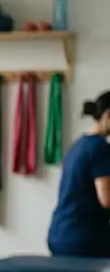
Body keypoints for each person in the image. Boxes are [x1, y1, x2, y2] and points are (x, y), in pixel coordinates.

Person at [47, 91, 110, 258]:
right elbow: (106, 199)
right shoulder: (101, 148)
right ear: (108, 115)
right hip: (82, 238)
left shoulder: (78, 145)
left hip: (59, 234)